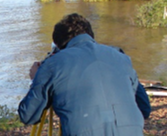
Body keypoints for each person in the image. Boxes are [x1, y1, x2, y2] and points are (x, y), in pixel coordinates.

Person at [19, 13, 152, 135]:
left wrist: (37, 79)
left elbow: (28, 116)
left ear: (59, 46)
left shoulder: (54, 63)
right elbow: (144, 108)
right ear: (90, 35)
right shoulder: (121, 58)